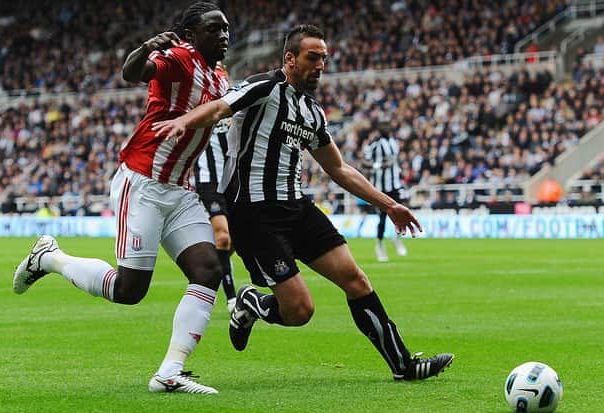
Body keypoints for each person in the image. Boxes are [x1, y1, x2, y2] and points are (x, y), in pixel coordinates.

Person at [152, 25, 454, 381]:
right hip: (253, 213)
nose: (320, 65)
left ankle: (403, 365)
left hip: (296, 208)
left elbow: (338, 168)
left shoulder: (313, 113)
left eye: (324, 58)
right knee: (300, 310)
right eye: (313, 57)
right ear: (290, 58)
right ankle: (253, 303)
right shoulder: (264, 87)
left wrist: (388, 205)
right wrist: (184, 120)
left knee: (355, 279)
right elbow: (220, 107)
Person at [12, 2, 230, 394]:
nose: (225, 35)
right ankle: (50, 258)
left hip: (180, 190)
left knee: (208, 271)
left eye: (227, 28)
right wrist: (147, 46)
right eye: (215, 29)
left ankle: (169, 373)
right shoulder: (180, 58)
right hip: (143, 182)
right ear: (193, 35)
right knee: (130, 291)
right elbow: (133, 72)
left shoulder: (219, 76)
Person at [193, 118, 237, 312]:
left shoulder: (233, 98)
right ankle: (232, 298)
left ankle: (213, 264)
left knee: (234, 240)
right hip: (207, 181)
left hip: (233, 178)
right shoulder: (196, 104)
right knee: (223, 236)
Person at [361, 121, 408, 261]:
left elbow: (395, 162)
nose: (387, 129)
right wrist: (379, 166)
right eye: (384, 128)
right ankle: (380, 246)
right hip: (380, 187)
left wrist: (399, 171)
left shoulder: (394, 142)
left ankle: (397, 239)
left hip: (395, 184)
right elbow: (364, 162)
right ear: (379, 130)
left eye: (388, 127)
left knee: (401, 213)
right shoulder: (375, 145)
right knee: (382, 218)